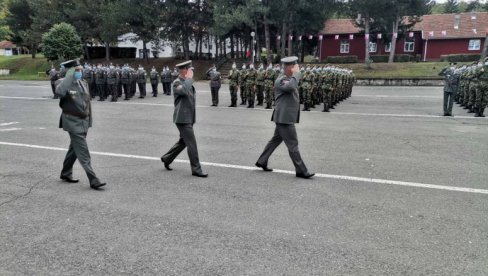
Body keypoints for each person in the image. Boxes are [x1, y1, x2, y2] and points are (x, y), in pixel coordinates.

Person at [255, 56, 314, 179]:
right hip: (284, 118)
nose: (297, 69)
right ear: (290, 68)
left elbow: (294, 85)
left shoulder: (288, 78)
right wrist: (297, 74)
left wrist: (295, 75)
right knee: (293, 144)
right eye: (295, 66)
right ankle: (301, 170)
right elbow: (291, 87)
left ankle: (262, 161)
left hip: (283, 117)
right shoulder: (282, 80)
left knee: (275, 140)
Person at [54, 60, 106, 190]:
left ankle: (65, 173)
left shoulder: (83, 83)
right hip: (72, 121)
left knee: (74, 149)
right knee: (83, 151)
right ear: (70, 71)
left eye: (80, 70)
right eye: (76, 70)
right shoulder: (61, 83)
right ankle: (93, 179)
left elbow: (88, 104)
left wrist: (89, 120)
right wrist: (69, 76)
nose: (80, 72)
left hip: (83, 121)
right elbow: (59, 93)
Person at [161, 60, 208, 178]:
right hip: (182, 119)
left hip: (188, 118)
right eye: (189, 69)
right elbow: (183, 91)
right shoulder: (177, 83)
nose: (191, 72)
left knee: (183, 142)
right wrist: (189, 79)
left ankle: (167, 158)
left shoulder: (186, 82)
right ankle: (196, 169)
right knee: (192, 144)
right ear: (183, 70)